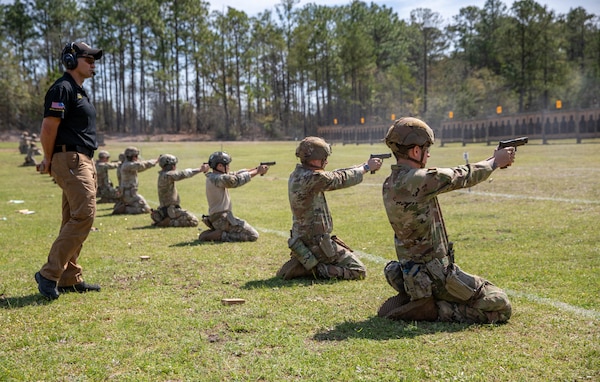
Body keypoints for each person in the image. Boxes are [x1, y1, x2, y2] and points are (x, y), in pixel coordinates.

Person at [377, 117, 514, 323]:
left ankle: (416, 297)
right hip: (437, 276)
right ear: (415, 151)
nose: (428, 154)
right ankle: (435, 310)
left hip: (411, 274)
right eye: (426, 148)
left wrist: (491, 160)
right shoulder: (419, 179)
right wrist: (496, 161)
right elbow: (463, 175)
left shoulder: (390, 183)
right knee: (500, 304)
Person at [35, 41, 103, 300]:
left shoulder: (78, 91)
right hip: (70, 158)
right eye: (88, 58)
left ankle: (69, 277)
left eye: (94, 59)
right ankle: (49, 273)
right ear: (71, 60)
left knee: (72, 219)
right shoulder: (62, 88)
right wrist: (48, 158)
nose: (93, 63)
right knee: (85, 214)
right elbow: (48, 128)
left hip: (81, 158)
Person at [275, 136, 383, 280]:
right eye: (324, 158)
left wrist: (363, 165)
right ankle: (312, 269)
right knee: (358, 271)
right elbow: (339, 178)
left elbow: (333, 174)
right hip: (316, 244)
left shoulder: (298, 174)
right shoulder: (314, 178)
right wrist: (366, 168)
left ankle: (305, 262)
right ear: (315, 159)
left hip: (303, 240)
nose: (326, 162)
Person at [198, 151, 269, 242]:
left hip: (218, 218)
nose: (228, 167)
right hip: (221, 219)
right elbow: (235, 180)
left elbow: (237, 173)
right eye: (226, 165)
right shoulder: (218, 179)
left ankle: (215, 232)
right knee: (253, 235)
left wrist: (256, 169)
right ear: (219, 166)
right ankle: (218, 235)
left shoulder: (214, 176)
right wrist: (258, 171)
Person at [151, 154, 209, 227]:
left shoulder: (163, 175)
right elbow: (182, 174)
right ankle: (167, 222)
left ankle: (163, 218)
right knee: (194, 221)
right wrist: (200, 170)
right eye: (174, 164)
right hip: (170, 211)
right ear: (171, 165)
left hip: (166, 210)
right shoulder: (167, 175)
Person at [112, 146, 157, 215]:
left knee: (144, 207)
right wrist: (156, 161)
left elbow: (141, 167)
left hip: (129, 193)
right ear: (131, 156)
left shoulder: (127, 165)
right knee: (145, 209)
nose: (137, 157)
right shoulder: (128, 165)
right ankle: (125, 209)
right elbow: (143, 165)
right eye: (136, 156)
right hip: (129, 194)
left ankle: (123, 206)